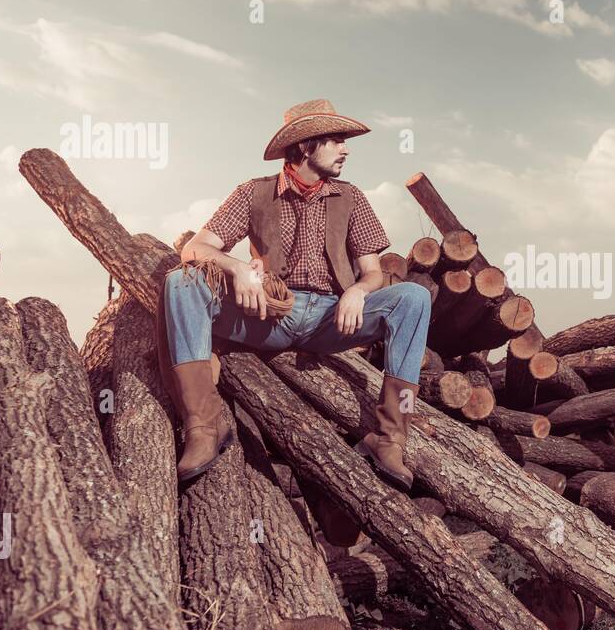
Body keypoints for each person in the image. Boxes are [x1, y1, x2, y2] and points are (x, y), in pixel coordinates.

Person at [155, 99, 431, 489]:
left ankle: (389, 438)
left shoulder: (351, 197)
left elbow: (372, 272)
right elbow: (195, 249)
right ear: (305, 146)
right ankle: (203, 426)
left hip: (330, 321)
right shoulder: (253, 192)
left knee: (415, 298)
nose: (345, 149)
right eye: (336, 141)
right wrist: (237, 270)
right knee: (180, 281)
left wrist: (357, 290)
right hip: (269, 315)